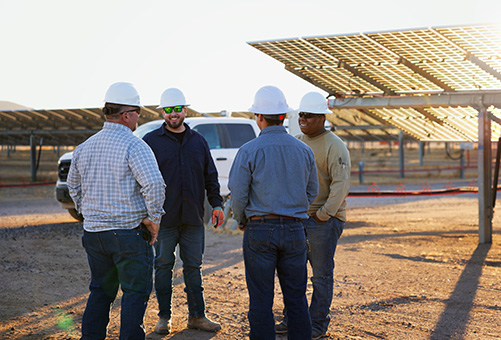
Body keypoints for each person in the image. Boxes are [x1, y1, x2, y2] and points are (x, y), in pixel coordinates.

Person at [67, 82, 166, 340]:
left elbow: (73, 187)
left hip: (94, 235)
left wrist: (88, 214)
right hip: (128, 236)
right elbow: (154, 184)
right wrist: (153, 219)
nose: (138, 117)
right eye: (138, 112)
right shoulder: (135, 146)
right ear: (126, 115)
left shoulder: (84, 147)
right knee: (134, 294)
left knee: (100, 292)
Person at [228, 85, 319, 340]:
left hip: (259, 230)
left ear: (259, 117)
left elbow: (238, 194)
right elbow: (313, 192)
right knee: (296, 298)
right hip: (295, 230)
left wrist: (243, 219)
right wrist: (295, 209)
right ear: (284, 116)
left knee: (260, 299)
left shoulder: (249, 150)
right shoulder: (303, 150)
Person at [142, 88, 225, 334]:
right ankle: (164, 318)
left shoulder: (198, 141)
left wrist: (217, 204)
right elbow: (141, 178)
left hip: (192, 218)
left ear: (185, 110)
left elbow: (211, 175)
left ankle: (197, 316)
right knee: (164, 267)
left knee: (193, 268)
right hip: (163, 220)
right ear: (163, 113)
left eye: (177, 109)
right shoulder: (151, 141)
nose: (173, 114)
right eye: (168, 110)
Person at [276, 92, 351, 339]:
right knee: (294, 272)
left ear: (321, 117)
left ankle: (317, 324)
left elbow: (340, 184)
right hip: (299, 219)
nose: (303, 119)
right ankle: (292, 319)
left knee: (320, 275)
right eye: (301, 115)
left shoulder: (334, 145)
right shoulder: (297, 141)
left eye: (308, 115)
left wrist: (323, 214)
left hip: (323, 222)